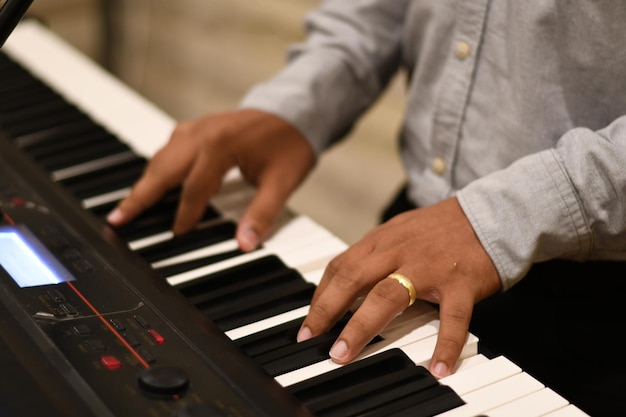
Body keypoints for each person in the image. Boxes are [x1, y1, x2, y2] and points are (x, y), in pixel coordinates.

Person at [107, 1, 626, 414]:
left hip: (599, 307)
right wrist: (294, 106)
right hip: (422, 238)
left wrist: (508, 215)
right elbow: (374, 14)